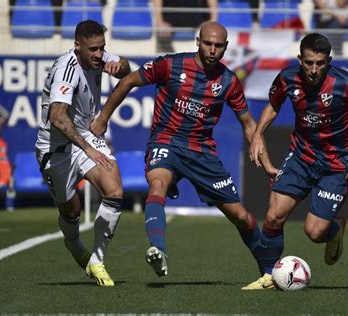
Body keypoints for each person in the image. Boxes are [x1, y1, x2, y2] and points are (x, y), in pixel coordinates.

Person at [91, 21, 272, 279]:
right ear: (197, 42)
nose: (212, 50)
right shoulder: (170, 65)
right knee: (157, 185)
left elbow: (248, 123)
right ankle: (159, 250)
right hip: (166, 141)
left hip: (201, 152)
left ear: (226, 48)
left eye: (218, 46)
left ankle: (268, 271)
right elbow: (128, 81)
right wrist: (103, 118)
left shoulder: (228, 81)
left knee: (240, 216)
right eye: (207, 44)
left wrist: (262, 153)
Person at [243, 33, 348, 289]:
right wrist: (258, 134)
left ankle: (335, 230)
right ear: (300, 59)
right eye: (309, 63)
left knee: (315, 232)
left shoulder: (346, 83)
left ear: (329, 60)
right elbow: (273, 105)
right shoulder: (287, 78)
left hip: (337, 164)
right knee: (273, 217)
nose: (314, 70)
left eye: (320, 63)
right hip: (301, 156)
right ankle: (267, 277)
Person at [35, 20, 130, 287]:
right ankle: (76, 247)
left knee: (114, 190)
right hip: (56, 148)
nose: (99, 55)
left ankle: (97, 260)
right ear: (77, 46)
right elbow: (57, 116)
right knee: (71, 209)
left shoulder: (99, 56)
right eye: (93, 50)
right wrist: (87, 148)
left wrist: (118, 66)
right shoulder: (67, 70)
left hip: (87, 135)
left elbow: (127, 68)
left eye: (103, 48)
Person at [153, 0, 218, 52]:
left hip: (194, 15)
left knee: (208, 32)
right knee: (162, 32)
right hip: (170, 15)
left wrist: (213, 19)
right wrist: (159, 22)